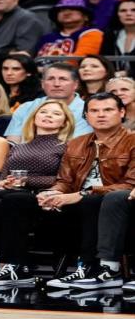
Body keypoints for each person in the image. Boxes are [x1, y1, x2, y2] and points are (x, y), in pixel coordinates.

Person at [0, 99, 75, 283]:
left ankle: (14, 266)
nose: (48, 116)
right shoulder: (19, 146)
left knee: (7, 204)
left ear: (65, 122)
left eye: (56, 113)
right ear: (34, 118)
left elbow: (63, 180)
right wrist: (4, 182)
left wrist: (26, 180)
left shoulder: (67, 148)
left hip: (42, 197)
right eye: (44, 112)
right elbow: (3, 176)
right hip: (10, 194)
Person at [41, 92, 135, 290]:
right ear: (85, 115)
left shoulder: (132, 141)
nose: (101, 115)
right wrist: (52, 192)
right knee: (18, 200)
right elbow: (64, 181)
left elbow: (130, 184)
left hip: (115, 202)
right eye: (94, 110)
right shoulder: (77, 143)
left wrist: (83, 194)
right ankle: (15, 268)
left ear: (121, 112)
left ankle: (102, 269)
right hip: (79, 201)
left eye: (108, 110)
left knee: (94, 201)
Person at [5, 63, 93, 143]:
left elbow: (78, 146)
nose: (56, 84)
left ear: (76, 84)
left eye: (63, 79)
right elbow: (12, 144)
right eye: (51, 79)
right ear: (42, 84)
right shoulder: (25, 108)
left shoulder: (89, 110)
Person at [35, 0, 104, 67]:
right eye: (62, 10)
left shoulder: (92, 33)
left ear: (86, 17)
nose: (66, 13)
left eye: (72, 9)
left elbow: (81, 60)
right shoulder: (47, 37)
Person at [100, 0, 135, 77]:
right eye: (123, 11)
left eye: (133, 10)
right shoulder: (110, 35)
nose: (128, 14)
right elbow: (104, 59)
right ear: (117, 14)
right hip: (114, 79)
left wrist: (128, 73)